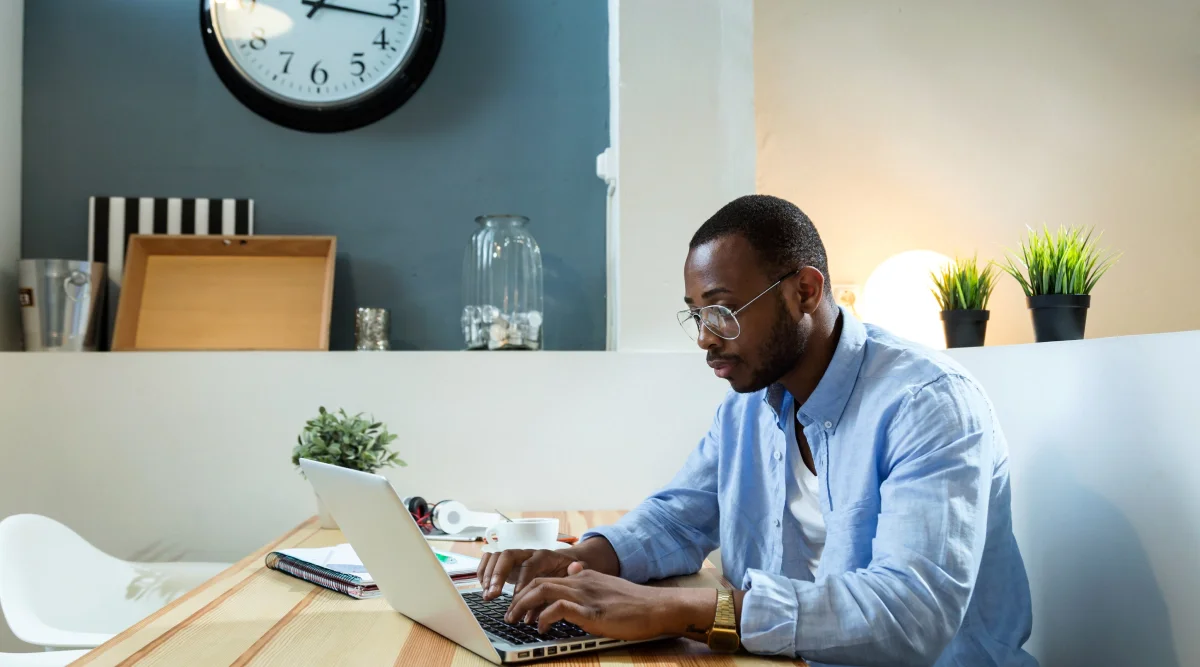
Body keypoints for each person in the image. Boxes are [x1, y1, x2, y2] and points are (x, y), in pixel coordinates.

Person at [476, 194, 1037, 666]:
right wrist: (588, 558)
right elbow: (679, 517)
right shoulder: (748, 402)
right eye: (696, 314)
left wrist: (681, 610)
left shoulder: (926, 403)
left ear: (805, 292)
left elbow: (910, 613)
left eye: (723, 310)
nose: (705, 337)